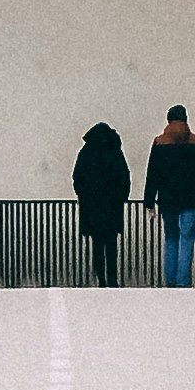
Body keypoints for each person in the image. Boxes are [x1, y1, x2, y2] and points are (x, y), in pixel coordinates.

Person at [144, 101, 195, 286]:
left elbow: (152, 174)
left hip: (167, 200)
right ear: (186, 119)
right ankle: (183, 281)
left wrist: (149, 202)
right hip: (191, 199)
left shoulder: (159, 142)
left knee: (171, 238)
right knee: (187, 238)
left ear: (168, 120)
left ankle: (170, 280)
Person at [71, 118, 130, 284]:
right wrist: (121, 197)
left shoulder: (86, 151)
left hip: (92, 206)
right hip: (112, 206)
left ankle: (101, 278)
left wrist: (84, 195)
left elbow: (77, 177)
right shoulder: (115, 151)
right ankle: (112, 278)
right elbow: (125, 176)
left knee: (97, 243)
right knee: (111, 243)